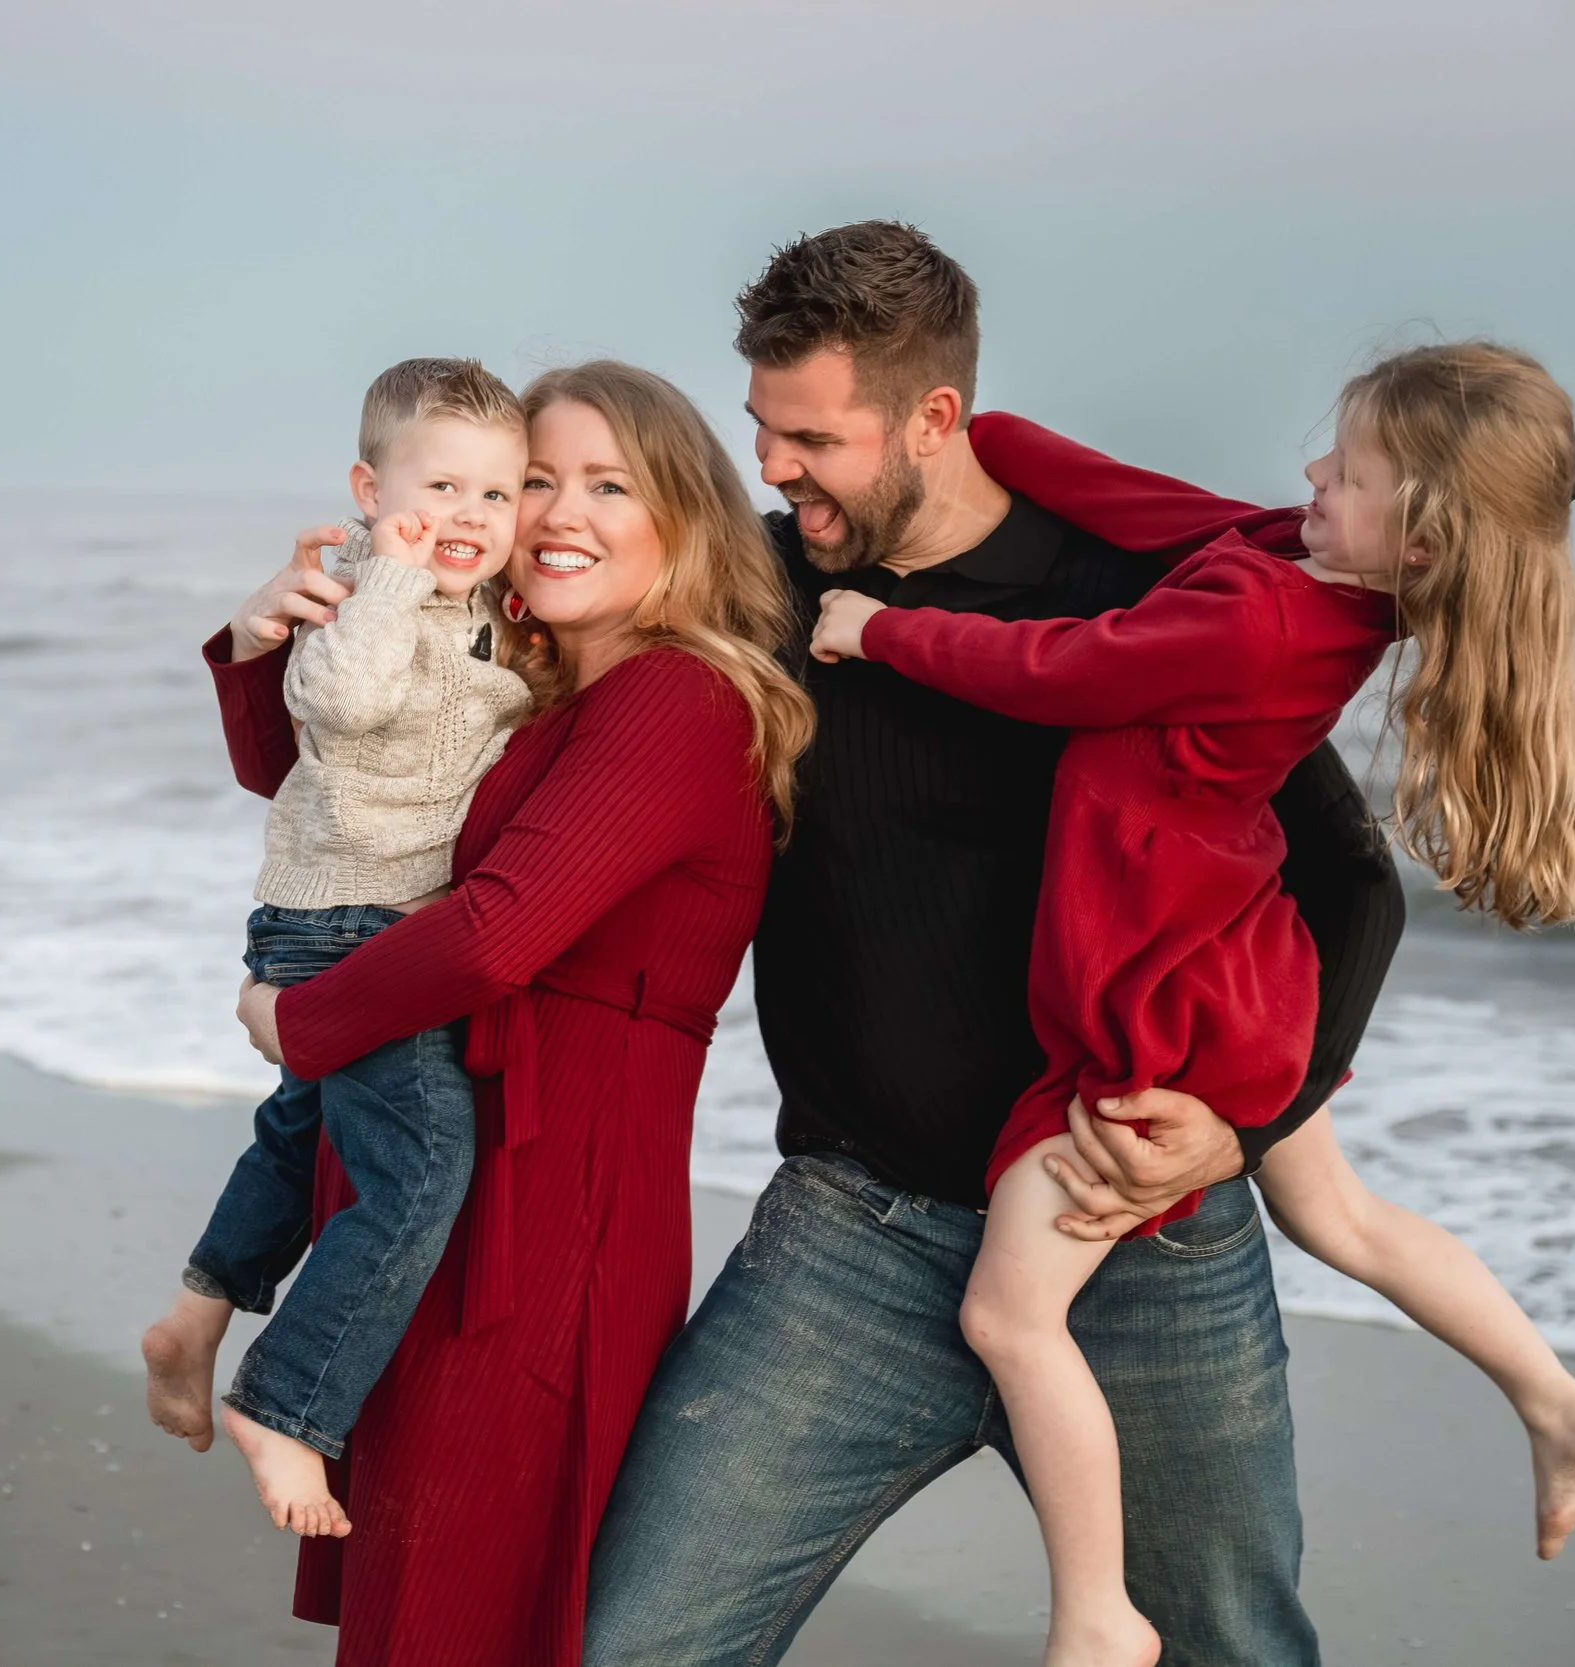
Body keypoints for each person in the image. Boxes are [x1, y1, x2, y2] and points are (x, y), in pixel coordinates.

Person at [582, 222, 1405, 1667]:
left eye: (814, 437)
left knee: (1234, 1649)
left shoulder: (1151, 603)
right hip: (855, 1235)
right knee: (629, 1645)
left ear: (935, 417)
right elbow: (536, 718)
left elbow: (1351, 882)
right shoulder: (760, 601)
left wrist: (1245, 1121)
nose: (773, 468)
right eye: (762, 429)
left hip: (1141, 1233)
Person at [809, 343, 1575, 1666]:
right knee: (1338, 1212)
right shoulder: (1292, 562)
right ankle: (1553, 1394)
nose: (1309, 471)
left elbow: (1061, 668)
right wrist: (981, 439)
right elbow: (1141, 503)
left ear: (1417, 534)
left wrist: (881, 629)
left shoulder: (1262, 622)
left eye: (1347, 470)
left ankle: (1099, 1613)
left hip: (1163, 1007)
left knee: (1010, 1313)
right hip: (1235, 960)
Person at [208, 360, 816, 1664]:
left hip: (550, 1222)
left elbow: (495, 931)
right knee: (424, 1594)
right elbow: (314, 791)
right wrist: (265, 640)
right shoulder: (530, 680)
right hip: (451, 1179)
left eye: (609, 483)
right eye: (537, 476)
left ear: (687, 517)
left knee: (468, 1599)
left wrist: (296, 1021)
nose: (555, 510)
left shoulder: (673, 696)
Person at [141, 358, 533, 1538]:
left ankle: (197, 1309)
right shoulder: (369, 592)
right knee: (418, 1174)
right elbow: (342, 701)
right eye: (438, 488)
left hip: (376, 912)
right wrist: (390, 577)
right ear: (369, 489)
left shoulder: (483, 606)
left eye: (496, 496)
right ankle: (289, 1402)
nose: (466, 518)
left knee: (301, 1126)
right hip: (345, 918)